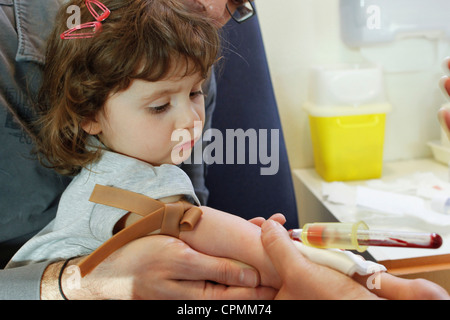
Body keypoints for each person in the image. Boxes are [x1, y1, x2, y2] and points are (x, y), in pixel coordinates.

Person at [0, 0, 276, 300]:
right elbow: (206, 231)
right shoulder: (135, 183)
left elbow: (203, 236)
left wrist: (236, 240)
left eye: (195, 92)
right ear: (88, 114)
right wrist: (274, 248)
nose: (191, 119)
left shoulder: (118, 141)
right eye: (159, 107)